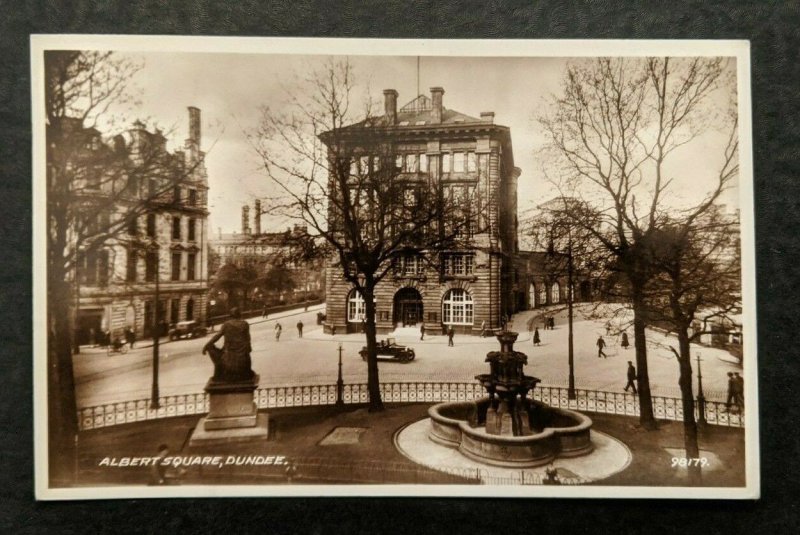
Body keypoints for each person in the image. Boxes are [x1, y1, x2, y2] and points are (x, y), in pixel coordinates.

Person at [202, 307, 255, 383]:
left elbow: (217, 336)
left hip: (229, 356)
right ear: (239, 315)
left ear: (230, 316)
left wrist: (206, 346)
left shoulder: (226, 325)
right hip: (243, 359)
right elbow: (248, 339)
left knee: (211, 348)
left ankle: (219, 372)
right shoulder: (245, 324)